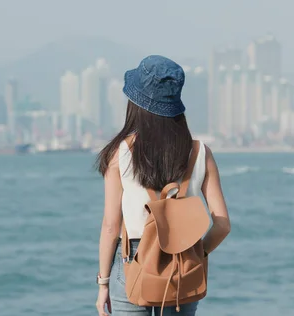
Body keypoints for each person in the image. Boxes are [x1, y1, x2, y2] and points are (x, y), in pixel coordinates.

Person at [94, 55, 231, 316]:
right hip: (184, 261)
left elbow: (111, 226)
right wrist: (196, 253)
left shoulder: (120, 153)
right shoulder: (200, 152)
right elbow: (223, 224)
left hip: (133, 260)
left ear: (136, 102)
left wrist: (103, 284)